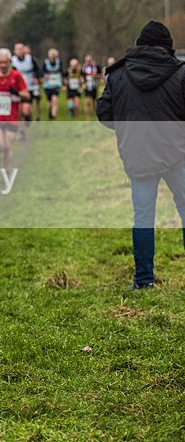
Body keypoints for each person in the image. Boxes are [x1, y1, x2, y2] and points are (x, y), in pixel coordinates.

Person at [97, 21, 185, 290]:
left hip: (138, 156)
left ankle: (143, 280)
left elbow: (104, 115)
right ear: (168, 47)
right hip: (177, 154)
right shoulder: (181, 73)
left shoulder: (118, 74)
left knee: (143, 218)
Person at [0, 48, 30, 170]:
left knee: (7, 146)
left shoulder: (17, 76)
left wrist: (17, 93)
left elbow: (27, 95)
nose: (3, 65)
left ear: (10, 62)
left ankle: (7, 172)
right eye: (1, 62)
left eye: (5, 62)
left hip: (11, 118)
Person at [12, 43, 42, 136]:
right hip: (17, 90)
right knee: (18, 111)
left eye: (21, 49)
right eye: (17, 49)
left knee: (26, 110)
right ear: (14, 51)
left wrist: (37, 78)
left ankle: (28, 120)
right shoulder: (12, 61)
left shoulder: (31, 59)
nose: (19, 51)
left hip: (29, 88)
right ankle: (21, 131)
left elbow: (38, 70)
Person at [42, 48, 65, 120]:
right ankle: (50, 114)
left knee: (54, 99)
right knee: (49, 103)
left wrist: (64, 80)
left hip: (56, 84)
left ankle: (54, 116)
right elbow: (41, 72)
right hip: (48, 85)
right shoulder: (45, 63)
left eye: (54, 57)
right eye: (52, 57)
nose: (53, 58)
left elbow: (62, 72)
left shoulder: (59, 62)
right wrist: (44, 76)